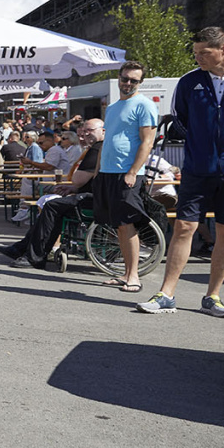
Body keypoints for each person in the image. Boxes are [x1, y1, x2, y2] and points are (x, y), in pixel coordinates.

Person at [140, 27, 224, 317]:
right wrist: (200, 143)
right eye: (195, 53)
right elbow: (179, 119)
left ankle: (213, 296)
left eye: (204, 53)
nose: (198, 58)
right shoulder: (189, 81)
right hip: (198, 166)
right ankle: (166, 294)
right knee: (184, 226)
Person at [0, 119, 105, 268]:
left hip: (96, 200)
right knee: (49, 203)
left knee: (51, 206)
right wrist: (74, 188)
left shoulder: (97, 149)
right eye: (83, 132)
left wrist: (75, 185)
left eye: (90, 131)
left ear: (103, 131)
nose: (85, 135)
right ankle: (22, 248)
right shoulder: (98, 148)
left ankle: (35, 256)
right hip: (93, 195)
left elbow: (78, 179)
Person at [91, 61, 158, 294]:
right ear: (119, 78)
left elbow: (147, 142)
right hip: (108, 172)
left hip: (127, 173)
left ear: (141, 82)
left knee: (127, 224)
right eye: (125, 78)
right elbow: (107, 141)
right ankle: (126, 274)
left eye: (134, 80)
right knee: (118, 225)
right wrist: (98, 170)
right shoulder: (112, 107)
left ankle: (134, 276)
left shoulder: (144, 105)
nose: (128, 83)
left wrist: (132, 172)